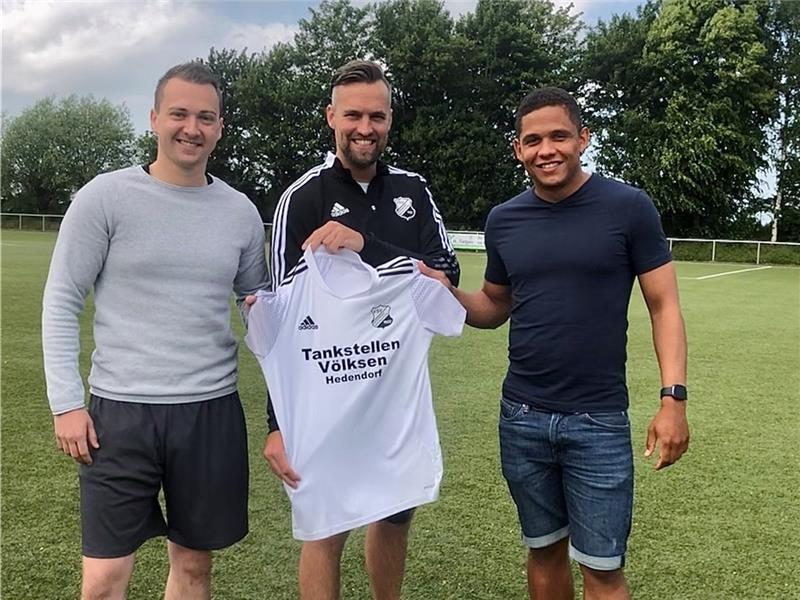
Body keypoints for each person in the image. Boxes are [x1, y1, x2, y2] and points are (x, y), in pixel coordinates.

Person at [420, 87, 690, 600]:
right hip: (521, 417)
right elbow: (495, 305)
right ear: (519, 149)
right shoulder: (504, 219)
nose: (547, 149)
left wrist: (672, 398)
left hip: (599, 420)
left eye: (559, 136)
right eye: (533, 140)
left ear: (583, 139)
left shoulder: (629, 207)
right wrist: (445, 292)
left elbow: (665, 307)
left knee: (603, 570)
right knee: (543, 551)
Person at [42, 62, 268, 600]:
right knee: (102, 580)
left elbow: (260, 307)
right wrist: (66, 403)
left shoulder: (239, 212)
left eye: (205, 117)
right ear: (154, 118)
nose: (192, 127)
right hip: (118, 416)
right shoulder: (105, 197)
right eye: (180, 114)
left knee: (193, 570)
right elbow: (61, 300)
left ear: (219, 127)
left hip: (209, 413)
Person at [265, 59, 460, 600]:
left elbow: (445, 274)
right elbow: (281, 321)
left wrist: (365, 247)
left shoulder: (412, 190)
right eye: (353, 114)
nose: (364, 127)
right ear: (332, 116)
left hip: (394, 396)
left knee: (395, 517)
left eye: (376, 115)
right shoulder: (301, 198)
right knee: (327, 526)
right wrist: (277, 424)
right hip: (325, 395)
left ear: (390, 120)